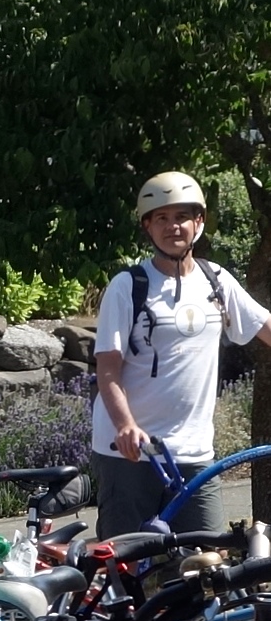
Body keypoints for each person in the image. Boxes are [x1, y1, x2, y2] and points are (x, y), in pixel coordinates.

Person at [93, 171, 271, 537]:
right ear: (148, 226)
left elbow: (265, 327)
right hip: (131, 453)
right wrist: (126, 425)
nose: (172, 227)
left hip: (193, 454)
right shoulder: (128, 287)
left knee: (206, 564)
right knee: (125, 567)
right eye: (161, 218)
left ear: (199, 222)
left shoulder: (216, 280)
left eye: (181, 217)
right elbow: (108, 368)